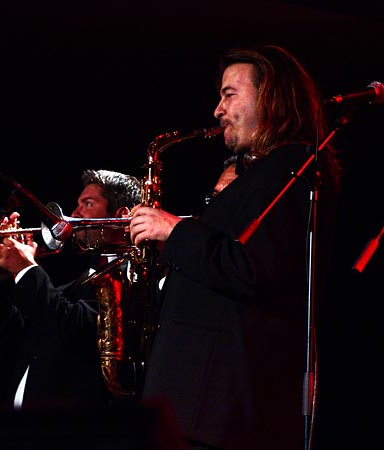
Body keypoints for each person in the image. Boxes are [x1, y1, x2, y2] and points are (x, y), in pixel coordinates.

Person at [128, 44, 342, 450]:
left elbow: (252, 268)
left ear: (272, 97)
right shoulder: (265, 172)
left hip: (218, 411)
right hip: (197, 407)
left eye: (229, 94)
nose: (217, 110)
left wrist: (175, 230)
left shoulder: (292, 168)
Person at [0, 169, 142, 410]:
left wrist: (26, 269)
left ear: (121, 215)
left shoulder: (132, 276)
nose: (74, 214)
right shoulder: (78, 277)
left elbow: (73, 327)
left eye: (88, 204)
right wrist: (5, 272)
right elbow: (15, 327)